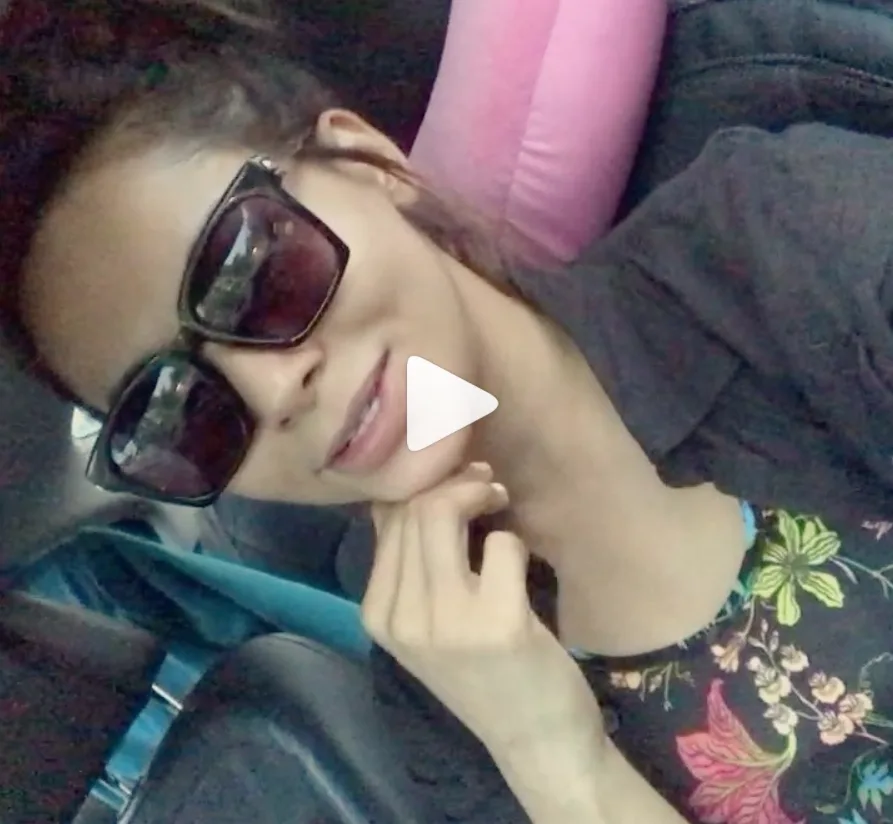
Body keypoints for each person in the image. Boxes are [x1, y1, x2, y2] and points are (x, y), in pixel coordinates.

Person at [4, 1, 893, 822]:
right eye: (172, 413)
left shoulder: (776, 247)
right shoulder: (445, 701)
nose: (274, 392)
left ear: (369, 164)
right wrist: (556, 760)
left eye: (249, 273)